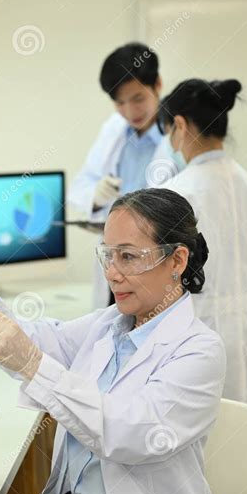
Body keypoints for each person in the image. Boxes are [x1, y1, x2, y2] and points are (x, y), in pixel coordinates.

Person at [0, 189, 232, 494]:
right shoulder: (109, 325)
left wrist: (33, 364)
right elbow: (39, 342)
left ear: (177, 260)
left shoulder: (199, 351)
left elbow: (130, 434)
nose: (112, 272)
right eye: (108, 255)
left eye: (128, 256)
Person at [160, 78, 247, 407]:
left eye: (170, 133)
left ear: (180, 125)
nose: (173, 143)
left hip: (198, 341)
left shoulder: (179, 193)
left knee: (205, 448)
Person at [68, 42, 180, 307]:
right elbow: (82, 184)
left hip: (155, 263)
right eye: (120, 103)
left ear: (158, 85)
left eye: (138, 99)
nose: (130, 112)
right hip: (116, 261)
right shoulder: (113, 130)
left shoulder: (178, 135)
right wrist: (96, 196)